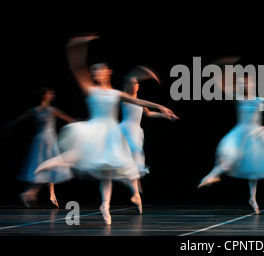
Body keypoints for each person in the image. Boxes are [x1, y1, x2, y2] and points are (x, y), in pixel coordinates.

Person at [36, 34, 178, 225]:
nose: (95, 73)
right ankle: (51, 163)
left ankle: (105, 206)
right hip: (94, 129)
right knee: (77, 155)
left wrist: (160, 107)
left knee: (107, 172)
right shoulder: (90, 89)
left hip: (111, 133)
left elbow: (137, 101)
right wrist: (76, 46)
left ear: (108, 72)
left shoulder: (116, 93)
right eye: (94, 71)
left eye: (99, 70)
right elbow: (77, 68)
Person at [197, 57, 264, 214]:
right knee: (229, 154)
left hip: (254, 134)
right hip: (240, 133)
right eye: (244, 82)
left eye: (249, 82)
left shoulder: (259, 99)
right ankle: (213, 175)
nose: (246, 84)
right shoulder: (239, 98)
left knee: (254, 168)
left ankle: (252, 197)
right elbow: (222, 86)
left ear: (253, 84)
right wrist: (217, 70)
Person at [8, 88, 75, 207]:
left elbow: (17, 120)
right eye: (50, 93)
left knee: (51, 166)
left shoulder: (38, 110)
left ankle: (50, 194)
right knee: (47, 165)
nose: (52, 95)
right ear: (44, 96)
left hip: (41, 140)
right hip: (46, 140)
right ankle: (30, 192)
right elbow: (68, 119)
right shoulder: (50, 110)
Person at [120, 67, 178, 193]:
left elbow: (148, 113)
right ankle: (129, 179)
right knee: (133, 152)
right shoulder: (124, 97)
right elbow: (139, 101)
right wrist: (145, 74)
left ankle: (134, 180)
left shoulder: (139, 101)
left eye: (135, 83)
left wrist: (165, 116)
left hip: (136, 131)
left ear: (138, 85)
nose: (133, 85)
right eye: (131, 83)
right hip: (125, 130)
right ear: (126, 85)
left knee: (137, 154)